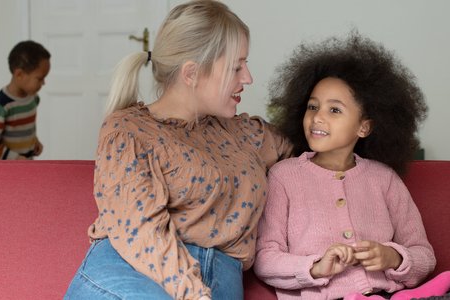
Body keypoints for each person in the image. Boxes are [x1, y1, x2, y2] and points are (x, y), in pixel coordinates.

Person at [63, 1, 292, 299]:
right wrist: (194, 294)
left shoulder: (244, 134)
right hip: (133, 272)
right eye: (236, 67)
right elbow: (142, 229)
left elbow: (317, 150)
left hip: (218, 276)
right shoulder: (128, 131)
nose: (248, 78)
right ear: (191, 73)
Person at [253, 32, 450, 300]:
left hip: (387, 293)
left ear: (364, 126)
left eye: (334, 110)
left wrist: (392, 257)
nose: (317, 117)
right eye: (312, 107)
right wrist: (316, 267)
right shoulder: (283, 176)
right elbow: (264, 259)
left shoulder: (384, 178)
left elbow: (423, 255)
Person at [0, 40, 50, 160]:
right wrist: (16, 159)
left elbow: (23, 130)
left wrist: (33, 142)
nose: (43, 83)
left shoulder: (32, 99)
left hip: (24, 165)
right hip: (5, 170)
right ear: (19, 74)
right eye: (39, 78)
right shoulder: (1, 107)